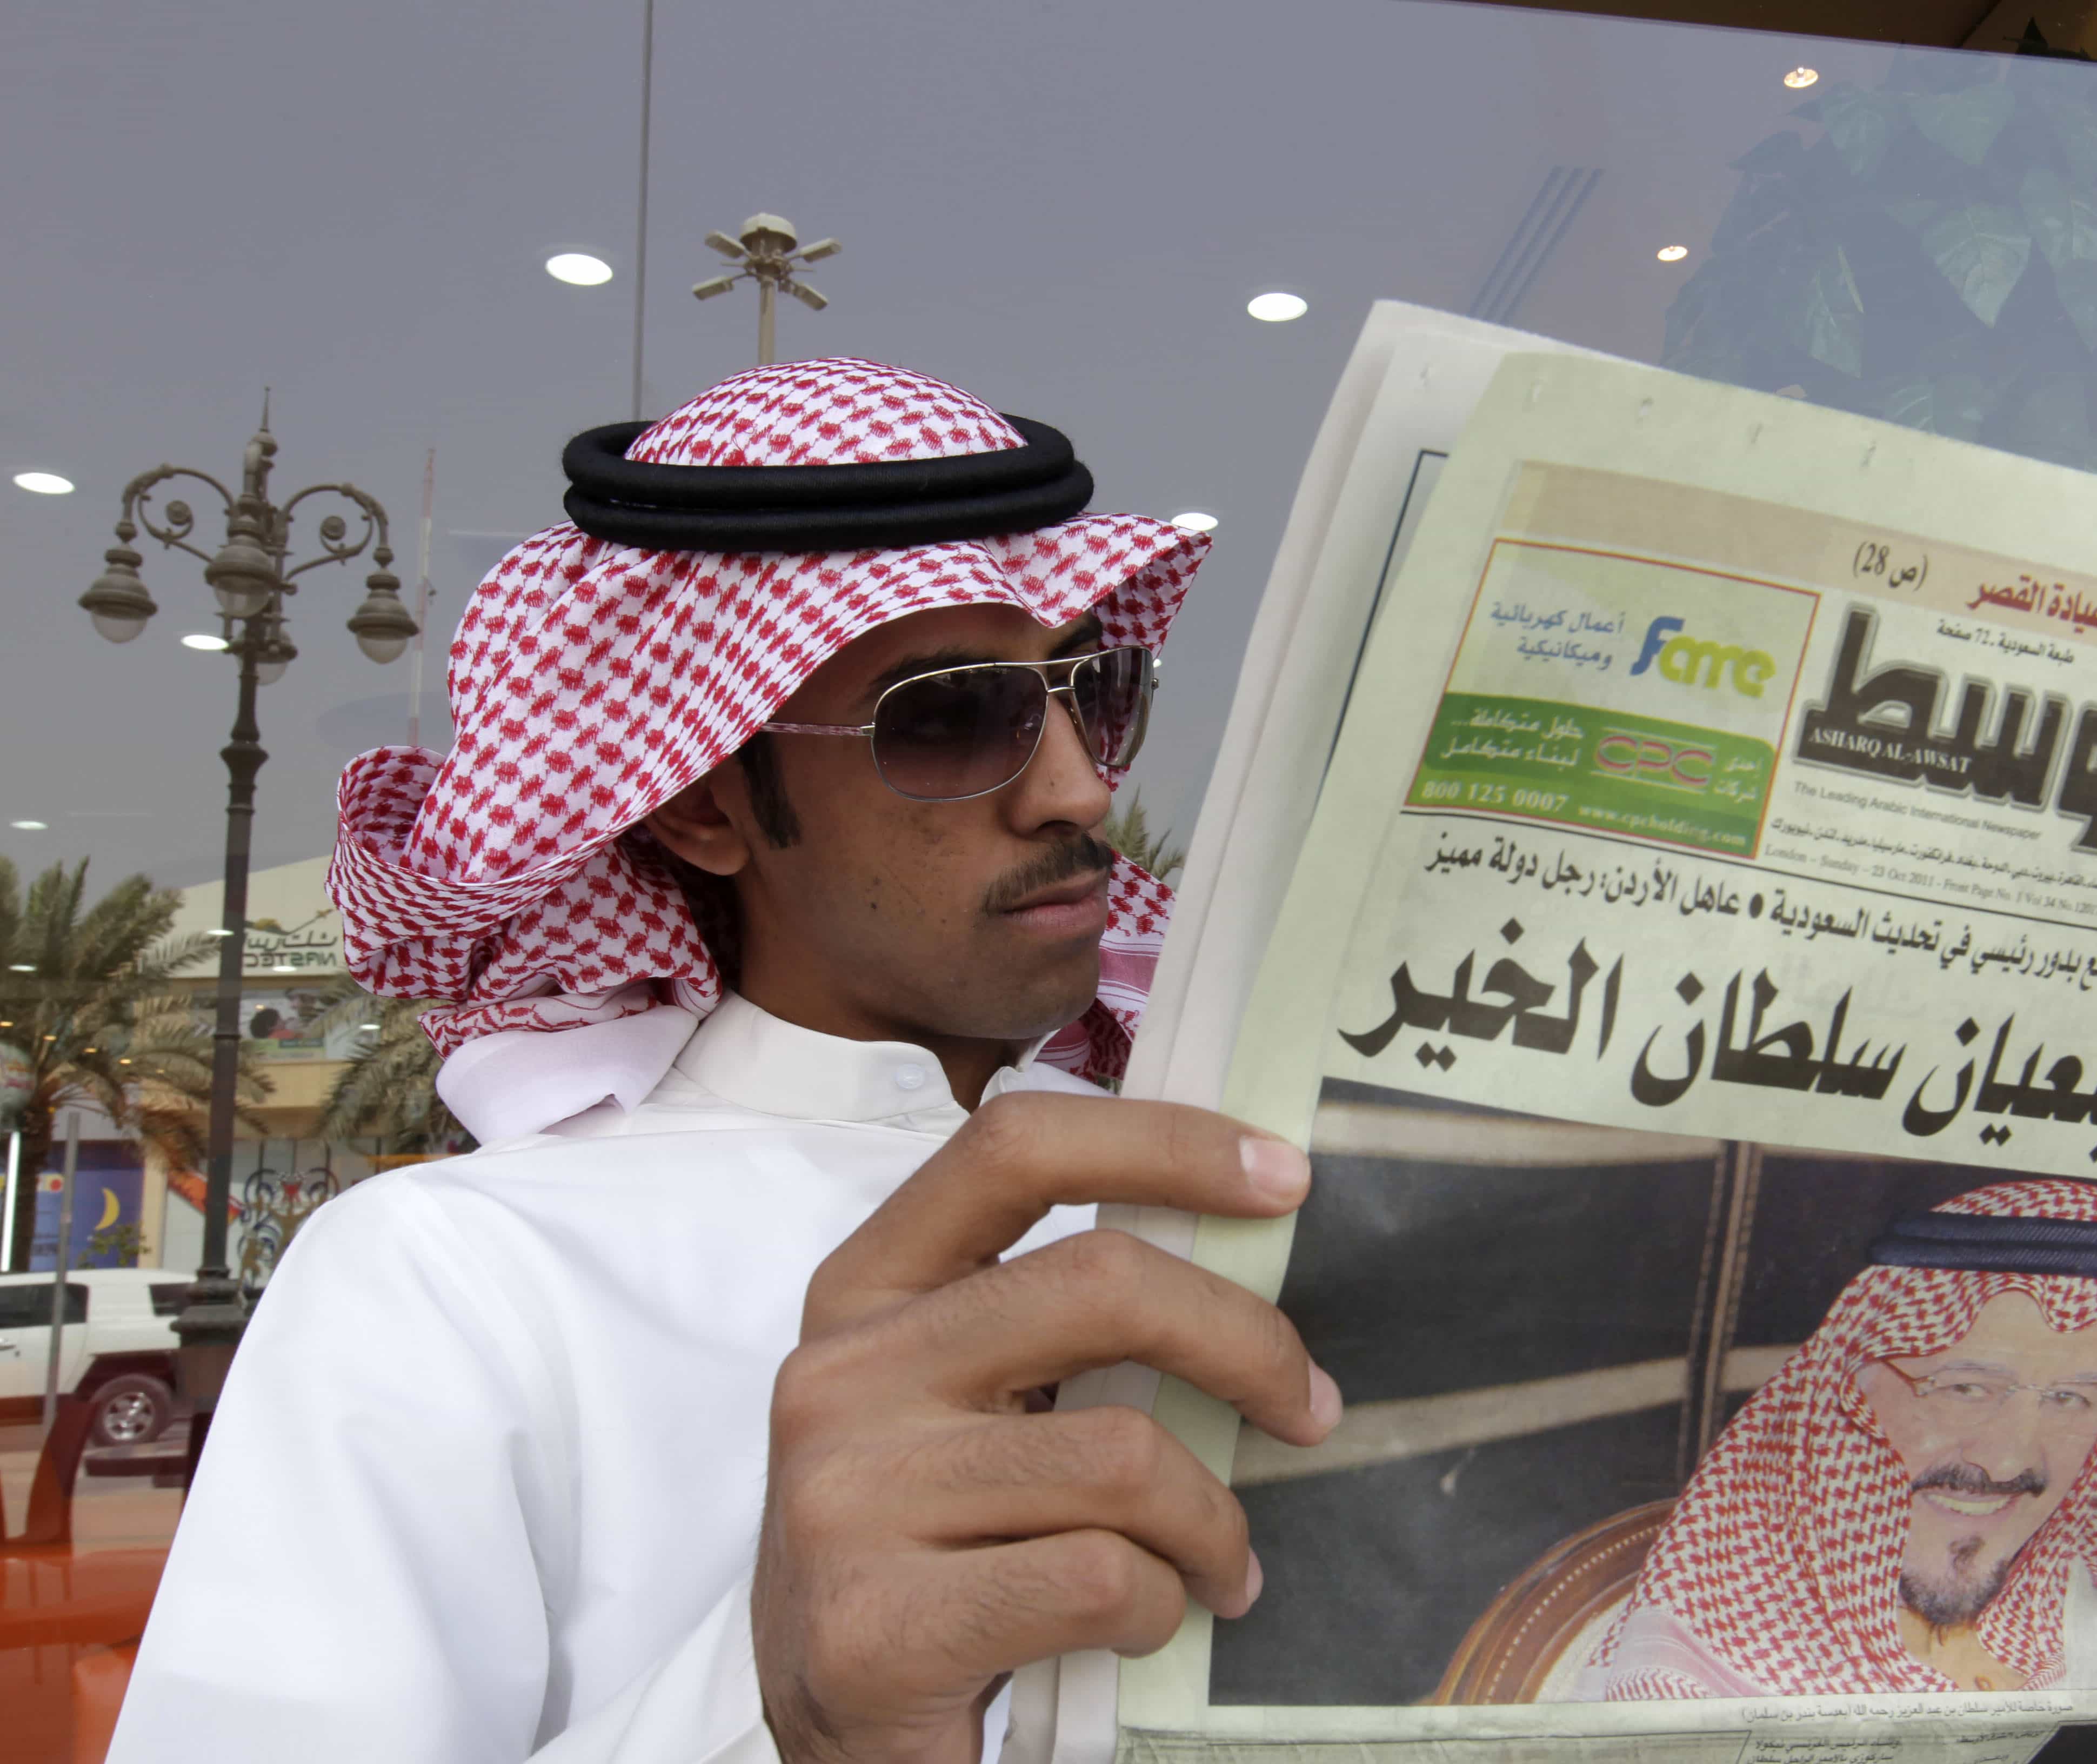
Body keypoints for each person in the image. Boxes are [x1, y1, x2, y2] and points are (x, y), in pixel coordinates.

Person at [110, 358, 1342, 1763]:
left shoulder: (1227, 1181)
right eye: (947, 716)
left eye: (1093, 691)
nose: (1076, 788)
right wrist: (778, 1707)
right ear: (701, 806)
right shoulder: (455, 1282)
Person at [1582, 1178, 2097, 1698]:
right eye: (1965, 1389)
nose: (2008, 1459)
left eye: (2071, 1400)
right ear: (1848, 1393)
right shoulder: (1689, 1679)